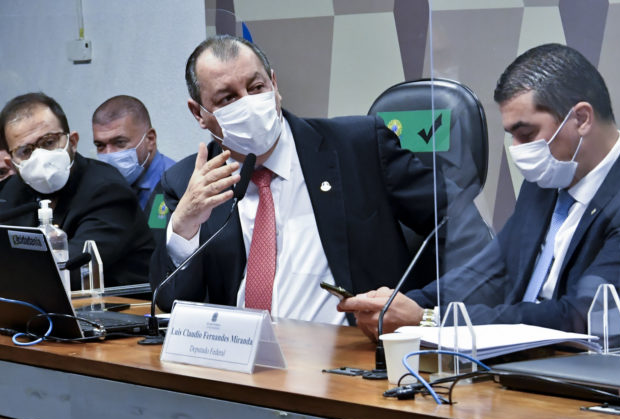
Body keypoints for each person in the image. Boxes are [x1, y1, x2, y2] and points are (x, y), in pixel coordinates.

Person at [340, 44, 620, 346]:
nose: (517, 149)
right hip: (524, 369)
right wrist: (399, 304)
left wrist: (433, 320)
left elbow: (582, 319)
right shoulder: (546, 183)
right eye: (511, 135)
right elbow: (490, 272)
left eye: (526, 134)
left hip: (601, 384)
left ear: (581, 119)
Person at [150, 35, 488, 324]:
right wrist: (184, 226)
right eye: (228, 98)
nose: (249, 104)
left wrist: (422, 308)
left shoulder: (358, 146)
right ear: (199, 113)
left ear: (274, 84)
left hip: (353, 357)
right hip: (239, 365)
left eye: (256, 87)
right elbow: (170, 302)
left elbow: (463, 227)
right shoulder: (187, 182)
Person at [0, 92, 155, 288]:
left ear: (72, 142)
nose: (40, 156)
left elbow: (69, 270)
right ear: (12, 163)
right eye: (26, 151)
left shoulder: (108, 190)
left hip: (121, 303)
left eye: (49, 142)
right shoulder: (11, 192)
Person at [92, 95, 175, 235]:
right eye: (100, 145)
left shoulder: (177, 184)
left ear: (150, 139)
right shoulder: (101, 187)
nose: (109, 154)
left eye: (120, 142)